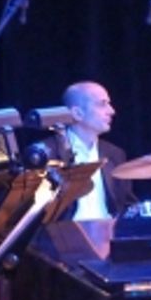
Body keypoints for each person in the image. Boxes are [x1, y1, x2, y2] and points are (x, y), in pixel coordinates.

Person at [52, 81, 133, 220]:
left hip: (109, 235)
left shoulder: (114, 153)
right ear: (77, 113)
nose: (112, 111)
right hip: (65, 237)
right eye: (102, 104)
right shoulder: (47, 153)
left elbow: (125, 204)